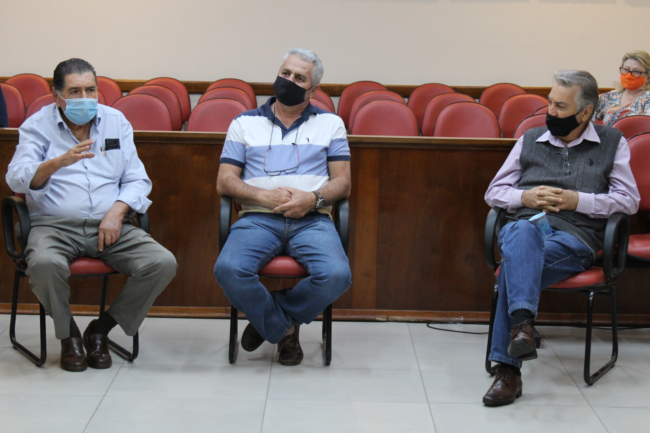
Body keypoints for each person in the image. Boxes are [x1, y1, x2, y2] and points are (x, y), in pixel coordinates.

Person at [5, 58, 177, 372]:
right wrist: (57, 162)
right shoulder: (37, 125)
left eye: (90, 90)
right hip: (53, 226)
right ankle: (69, 335)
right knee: (44, 263)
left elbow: (138, 179)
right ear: (56, 95)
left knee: (161, 262)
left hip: (110, 225)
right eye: (75, 91)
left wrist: (117, 211)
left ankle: (101, 330)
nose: (84, 98)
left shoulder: (116, 122)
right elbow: (16, 178)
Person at [482, 70, 639, 406]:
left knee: (513, 266)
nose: (550, 112)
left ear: (585, 112)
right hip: (525, 226)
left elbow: (628, 201)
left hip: (575, 236)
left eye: (560, 106)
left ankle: (508, 369)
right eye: (550, 103)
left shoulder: (613, 142)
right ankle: (521, 330)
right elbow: (494, 192)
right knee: (521, 232)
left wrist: (578, 201)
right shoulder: (530, 139)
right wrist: (524, 197)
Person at [214, 48, 352, 366]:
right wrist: (264, 197)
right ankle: (283, 328)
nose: (289, 81)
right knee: (228, 269)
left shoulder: (331, 124)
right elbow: (224, 181)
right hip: (258, 218)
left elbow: (343, 183)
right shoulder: (243, 123)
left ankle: (271, 315)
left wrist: (312, 199)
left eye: (299, 78)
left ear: (313, 90)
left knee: (337, 275)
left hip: (312, 219)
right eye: (285, 73)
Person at [595, 50, 650, 127]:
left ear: (648, 77)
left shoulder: (647, 99)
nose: (629, 75)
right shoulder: (609, 97)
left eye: (636, 71)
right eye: (626, 70)